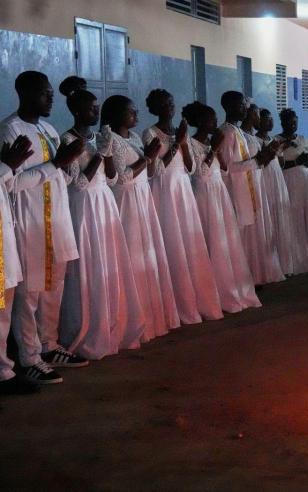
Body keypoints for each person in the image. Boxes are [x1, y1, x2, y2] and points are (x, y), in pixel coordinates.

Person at [2, 71, 87, 384]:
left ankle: (50, 345)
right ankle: (30, 357)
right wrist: (56, 163)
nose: (51, 98)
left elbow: (60, 175)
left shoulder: (50, 129)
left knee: (55, 288)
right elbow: (12, 183)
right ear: (24, 93)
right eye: (44, 93)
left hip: (57, 219)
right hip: (30, 221)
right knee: (30, 294)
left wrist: (65, 164)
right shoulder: (10, 129)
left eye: (51, 92)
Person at [59, 91, 145, 359]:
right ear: (76, 111)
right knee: (88, 266)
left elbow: (110, 178)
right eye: (89, 108)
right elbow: (79, 183)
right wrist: (100, 154)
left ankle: (111, 324)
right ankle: (85, 330)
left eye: (97, 108)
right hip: (84, 205)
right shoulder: (68, 139)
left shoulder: (98, 137)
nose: (95, 112)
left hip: (104, 202)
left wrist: (105, 152)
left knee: (108, 264)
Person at [142, 89, 223, 323]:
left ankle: (194, 299)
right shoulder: (149, 133)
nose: (169, 107)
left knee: (189, 242)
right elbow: (155, 169)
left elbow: (189, 167)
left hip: (183, 190)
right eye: (164, 104)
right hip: (165, 190)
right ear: (154, 109)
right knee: (172, 242)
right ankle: (173, 304)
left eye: (171, 102)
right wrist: (177, 144)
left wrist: (183, 143)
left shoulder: (180, 131)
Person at [103, 95, 176, 341]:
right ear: (115, 115)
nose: (135, 115)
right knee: (131, 256)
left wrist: (152, 158)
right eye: (130, 112)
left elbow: (152, 171)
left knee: (148, 255)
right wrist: (147, 158)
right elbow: (121, 177)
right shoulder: (110, 139)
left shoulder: (134, 138)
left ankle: (150, 315)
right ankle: (129, 319)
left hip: (143, 197)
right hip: (126, 201)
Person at [185, 102, 262, 314]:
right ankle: (212, 292)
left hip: (219, 191)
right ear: (201, 122)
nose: (215, 123)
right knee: (210, 240)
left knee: (225, 240)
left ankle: (231, 286)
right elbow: (198, 171)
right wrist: (214, 148)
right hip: (204, 194)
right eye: (211, 119)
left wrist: (216, 149)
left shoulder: (212, 141)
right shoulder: (190, 143)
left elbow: (225, 169)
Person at [0, 128, 48, 393]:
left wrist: (8, 167)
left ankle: (5, 370)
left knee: (4, 303)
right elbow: (9, 178)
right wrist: (7, 166)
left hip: (4, 231)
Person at [219, 93, 284, 284]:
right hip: (235, 190)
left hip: (248, 188)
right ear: (229, 107)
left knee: (249, 233)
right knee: (240, 235)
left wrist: (264, 156)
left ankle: (252, 275)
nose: (245, 109)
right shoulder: (227, 132)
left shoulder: (237, 131)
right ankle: (240, 279)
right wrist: (258, 161)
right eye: (241, 106)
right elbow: (228, 168)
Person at [276, 108, 308, 273]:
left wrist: (306, 160)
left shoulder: (303, 139)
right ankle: (292, 260)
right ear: (283, 123)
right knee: (292, 218)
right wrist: (297, 161)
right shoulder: (277, 141)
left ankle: (307, 257)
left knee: (306, 217)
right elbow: (278, 166)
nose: (293, 124)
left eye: (295, 121)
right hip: (288, 182)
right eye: (289, 122)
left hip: (305, 182)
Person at [255, 108, 298, 276]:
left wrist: (280, 150)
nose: (270, 123)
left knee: (282, 219)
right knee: (270, 219)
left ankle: (284, 262)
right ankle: (270, 264)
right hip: (266, 180)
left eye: (271, 119)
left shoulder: (273, 139)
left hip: (277, 180)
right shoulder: (255, 140)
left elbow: (280, 163)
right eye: (266, 119)